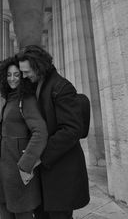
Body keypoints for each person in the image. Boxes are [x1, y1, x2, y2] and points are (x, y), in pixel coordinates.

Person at [17, 45, 90, 219]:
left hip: (62, 172)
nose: (24, 76)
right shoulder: (36, 85)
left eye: (27, 72)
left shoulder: (62, 86)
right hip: (45, 174)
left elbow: (71, 130)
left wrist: (38, 156)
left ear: (39, 67)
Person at [0, 56, 48, 219]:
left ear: (22, 77)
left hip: (18, 174)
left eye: (16, 75)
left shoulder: (26, 99)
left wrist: (25, 164)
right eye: (8, 75)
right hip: (4, 174)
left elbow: (40, 132)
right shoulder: (10, 98)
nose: (12, 78)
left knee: (23, 214)